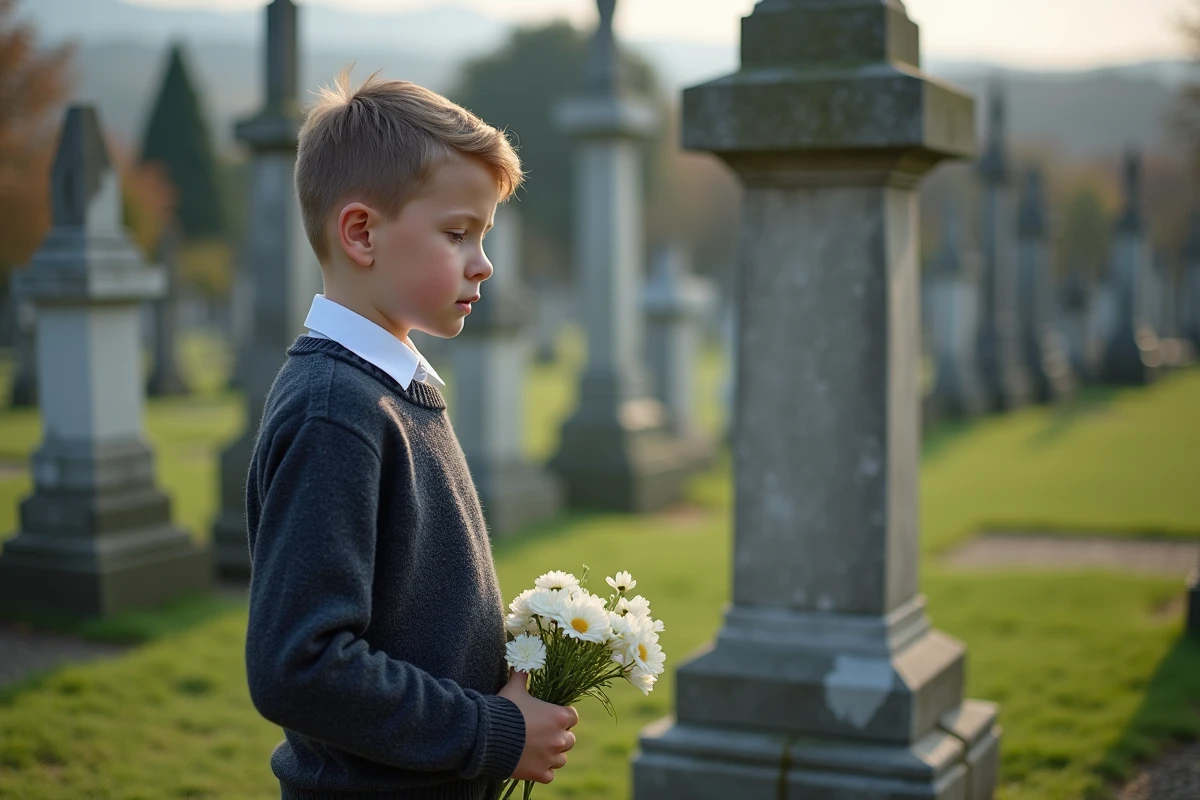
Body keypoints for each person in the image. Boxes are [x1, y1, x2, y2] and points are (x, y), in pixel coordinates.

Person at [243, 71, 577, 800]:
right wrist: (492, 731)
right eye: (458, 234)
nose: (483, 261)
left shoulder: (396, 390)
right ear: (362, 232)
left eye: (482, 235)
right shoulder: (337, 412)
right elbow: (299, 665)